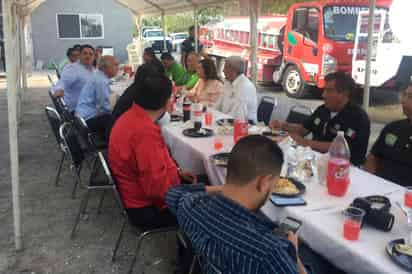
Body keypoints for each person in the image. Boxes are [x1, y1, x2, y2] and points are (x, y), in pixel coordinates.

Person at [166, 135, 308, 274]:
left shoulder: (190, 206)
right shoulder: (271, 253)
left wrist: (223, 188)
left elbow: (174, 192)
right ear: (264, 183)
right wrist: (293, 257)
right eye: (272, 186)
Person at [108, 73, 196, 230]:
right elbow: (157, 190)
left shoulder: (130, 117)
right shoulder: (145, 132)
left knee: (202, 184)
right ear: (166, 102)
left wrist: (175, 172)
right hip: (147, 208)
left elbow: (153, 169)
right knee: (214, 207)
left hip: (136, 195)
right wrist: (191, 193)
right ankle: (189, 252)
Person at [270, 71, 370, 166]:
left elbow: (341, 148)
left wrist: (305, 143)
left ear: (344, 94)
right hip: (315, 161)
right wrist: (283, 125)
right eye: (324, 90)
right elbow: (302, 130)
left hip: (346, 169)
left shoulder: (358, 117)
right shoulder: (323, 110)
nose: (323, 95)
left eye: (329, 90)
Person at [365, 84, 412, 186]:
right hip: (379, 188)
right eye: (404, 95)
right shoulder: (393, 127)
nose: (403, 101)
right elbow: (373, 157)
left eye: (410, 97)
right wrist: (370, 181)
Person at [76, 56, 119, 139]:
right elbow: (105, 106)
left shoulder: (99, 76)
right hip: (87, 119)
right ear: (104, 68)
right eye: (115, 65)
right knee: (118, 119)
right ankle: (113, 143)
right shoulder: (101, 81)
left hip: (83, 115)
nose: (118, 68)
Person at [214, 56, 258, 123]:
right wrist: (211, 114)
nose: (223, 71)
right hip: (225, 122)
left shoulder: (245, 87)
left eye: (225, 67)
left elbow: (237, 116)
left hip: (244, 126)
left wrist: (217, 118)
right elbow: (217, 105)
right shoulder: (228, 82)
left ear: (233, 70)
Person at [53, 45, 95, 112]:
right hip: (79, 110)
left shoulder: (92, 69)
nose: (88, 56)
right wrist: (59, 89)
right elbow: (62, 82)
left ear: (94, 57)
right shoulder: (73, 68)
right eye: (85, 53)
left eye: (91, 54)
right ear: (80, 56)